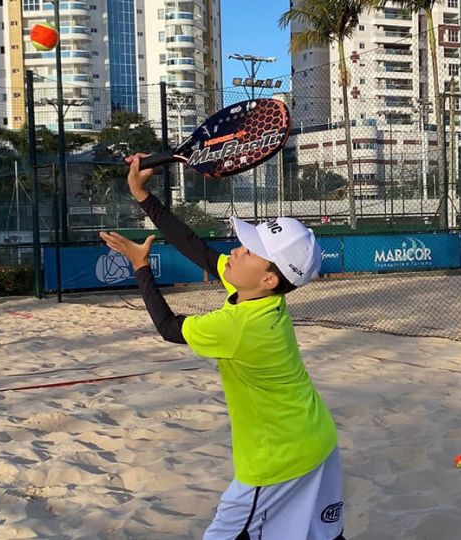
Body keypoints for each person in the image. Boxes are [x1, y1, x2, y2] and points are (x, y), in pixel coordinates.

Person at [97, 154, 346, 540]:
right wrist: (142, 195)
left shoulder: (241, 325)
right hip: (315, 442)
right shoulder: (262, 296)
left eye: (248, 250)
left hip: (277, 459)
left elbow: (168, 327)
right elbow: (197, 248)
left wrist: (141, 266)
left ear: (267, 279)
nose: (236, 250)